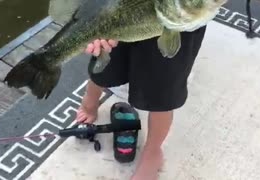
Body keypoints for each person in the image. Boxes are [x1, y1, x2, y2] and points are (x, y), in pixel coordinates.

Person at [75, 25, 207, 180]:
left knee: (162, 93)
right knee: (105, 59)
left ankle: (152, 152)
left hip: (177, 23)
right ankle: (90, 101)